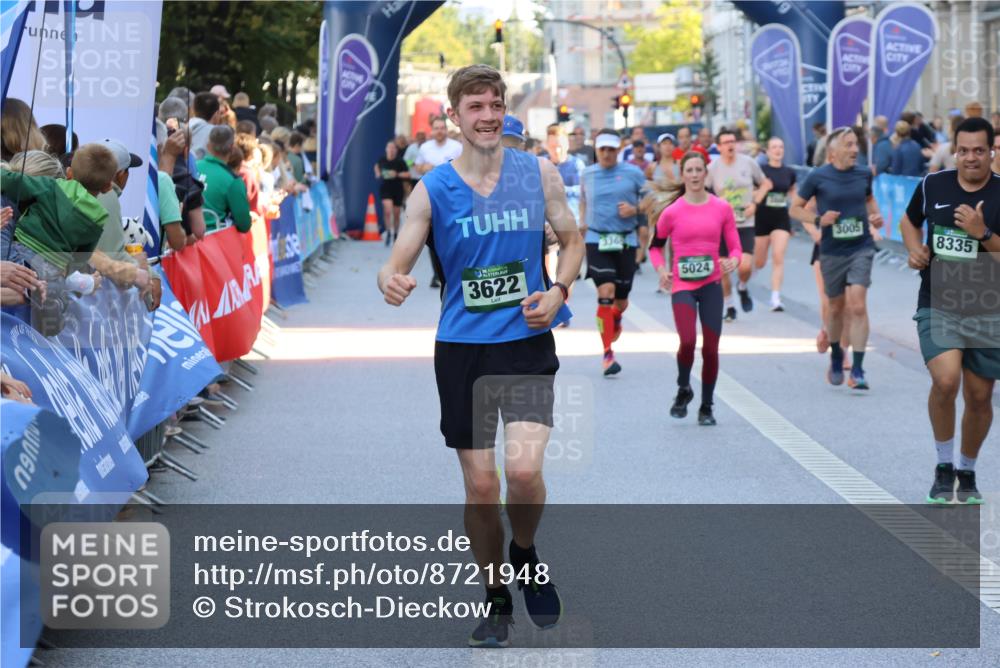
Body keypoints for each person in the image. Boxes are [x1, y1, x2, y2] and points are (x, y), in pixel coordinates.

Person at [377, 64, 583, 648]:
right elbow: (398, 258)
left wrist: (560, 289)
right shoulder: (433, 187)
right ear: (455, 117)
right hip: (462, 348)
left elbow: (571, 241)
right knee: (480, 485)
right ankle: (495, 597)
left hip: (524, 342)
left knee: (522, 472)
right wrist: (390, 278)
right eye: (476, 107)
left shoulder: (538, 173)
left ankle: (524, 552)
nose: (488, 115)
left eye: (495, 104)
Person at [899, 117, 999, 505]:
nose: (970, 158)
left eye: (979, 150)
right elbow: (909, 222)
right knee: (946, 381)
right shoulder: (932, 185)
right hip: (938, 303)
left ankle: (967, 470)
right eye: (963, 150)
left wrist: (983, 234)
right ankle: (943, 466)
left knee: (978, 397)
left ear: (992, 151)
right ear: (953, 150)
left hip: (989, 310)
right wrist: (914, 248)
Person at [650, 151, 740, 426]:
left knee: (711, 348)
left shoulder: (721, 208)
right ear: (683, 174)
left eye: (699, 169)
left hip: (711, 284)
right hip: (683, 286)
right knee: (688, 341)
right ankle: (683, 387)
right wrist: (662, 270)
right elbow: (655, 246)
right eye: (689, 170)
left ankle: (707, 406)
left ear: (705, 173)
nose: (694, 174)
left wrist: (734, 260)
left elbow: (735, 245)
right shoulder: (672, 212)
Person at [791, 126, 885, 390]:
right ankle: (835, 355)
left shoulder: (864, 173)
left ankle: (857, 368)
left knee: (857, 305)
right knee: (835, 307)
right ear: (833, 152)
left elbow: (869, 200)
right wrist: (819, 220)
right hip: (831, 251)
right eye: (849, 144)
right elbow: (795, 209)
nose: (855, 149)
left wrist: (875, 217)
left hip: (861, 247)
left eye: (856, 144)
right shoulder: (818, 177)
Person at [580, 128, 646, 375]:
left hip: (625, 240)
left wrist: (635, 209)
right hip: (597, 238)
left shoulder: (633, 173)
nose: (606, 154)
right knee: (605, 291)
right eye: (602, 149)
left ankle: (616, 316)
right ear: (596, 150)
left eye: (611, 149)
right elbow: (584, 200)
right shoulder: (587, 174)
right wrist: (582, 221)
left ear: (619, 150)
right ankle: (607, 353)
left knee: (621, 300)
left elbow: (652, 200)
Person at [706, 128, 768, 321]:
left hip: (746, 222)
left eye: (733, 141)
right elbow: (704, 192)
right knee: (724, 267)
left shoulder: (748, 163)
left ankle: (742, 287)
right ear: (719, 147)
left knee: (745, 266)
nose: (730, 145)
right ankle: (730, 306)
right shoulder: (712, 168)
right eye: (726, 142)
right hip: (722, 225)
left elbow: (766, 184)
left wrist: (755, 203)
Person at [415, 116, 462, 288]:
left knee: (454, 236)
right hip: (431, 198)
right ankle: (437, 274)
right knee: (434, 238)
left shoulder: (457, 148)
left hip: (453, 198)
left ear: (446, 129)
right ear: (432, 130)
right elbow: (416, 166)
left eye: (442, 127)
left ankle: (453, 272)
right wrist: (422, 168)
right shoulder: (425, 148)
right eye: (437, 128)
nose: (440, 131)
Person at [753, 137, 796, 312]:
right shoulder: (760, 171)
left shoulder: (789, 172)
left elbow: (794, 193)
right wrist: (763, 189)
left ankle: (775, 297)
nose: (778, 150)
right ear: (768, 151)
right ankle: (750, 273)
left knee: (778, 256)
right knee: (761, 261)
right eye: (774, 147)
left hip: (781, 218)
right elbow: (753, 194)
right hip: (762, 217)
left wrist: (803, 208)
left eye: (781, 147)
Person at [196, 125, 252, 233]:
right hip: (213, 241)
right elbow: (244, 224)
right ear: (231, 148)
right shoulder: (233, 181)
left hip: (183, 241)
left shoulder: (192, 166)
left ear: (208, 145)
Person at [373, 140, 409, 246]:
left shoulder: (400, 161)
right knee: (388, 210)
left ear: (396, 150)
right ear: (386, 149)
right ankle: (388, 231)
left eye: (393, 148)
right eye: (389, 147)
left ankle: (396, 234)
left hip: (397, 188)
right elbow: (376, 166)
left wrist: (397, 174)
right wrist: (378, 173)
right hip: (386, 188)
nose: (391, 150)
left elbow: (407, 174)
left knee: (396, 213)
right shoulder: (382, 160)